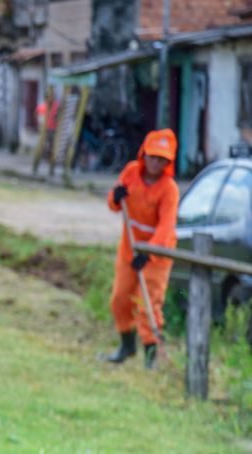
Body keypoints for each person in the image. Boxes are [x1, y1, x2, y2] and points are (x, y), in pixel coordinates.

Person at [105, 128, 179, 369]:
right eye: (152, 156)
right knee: (119, 298)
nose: (155, 163)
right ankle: (126, 345)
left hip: (157, 255)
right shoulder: (130, 172)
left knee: (147, 304)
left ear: (169, 162)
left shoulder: (169, 189)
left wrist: (148, 254)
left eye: (162, 159)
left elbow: (166, 227)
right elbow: (114, 205)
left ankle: (151, 353)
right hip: (129, 249)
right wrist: (115, 196)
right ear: (143, 154)